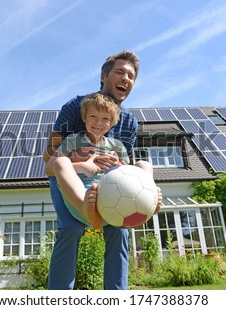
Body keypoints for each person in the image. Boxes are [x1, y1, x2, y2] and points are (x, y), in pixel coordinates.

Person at [44, 50, 161, 290]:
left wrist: (120, 166)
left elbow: (126, 168)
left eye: (131, 75)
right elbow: (50, 159)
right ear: (103, 76)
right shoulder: (75, 107)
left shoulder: (129, 122)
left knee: (120, 230)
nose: (126, 78)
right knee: (72, 229)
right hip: (70, 180)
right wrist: (82, 160)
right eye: (120, 72)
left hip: (109, 185)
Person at [45, 92, 155, 230]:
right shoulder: (74, 140)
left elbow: (129, 172)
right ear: (84, 118)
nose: (98, 123)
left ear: (111, 123)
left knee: (143, 165)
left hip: (113, 197)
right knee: (60, 162)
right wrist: (84, 166)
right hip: (84, 196)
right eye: (93, 117)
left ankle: (149, 199)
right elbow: (49, 168)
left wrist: (119, 166)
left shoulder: (117, 146)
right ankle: (86, 209)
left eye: (105, 119)